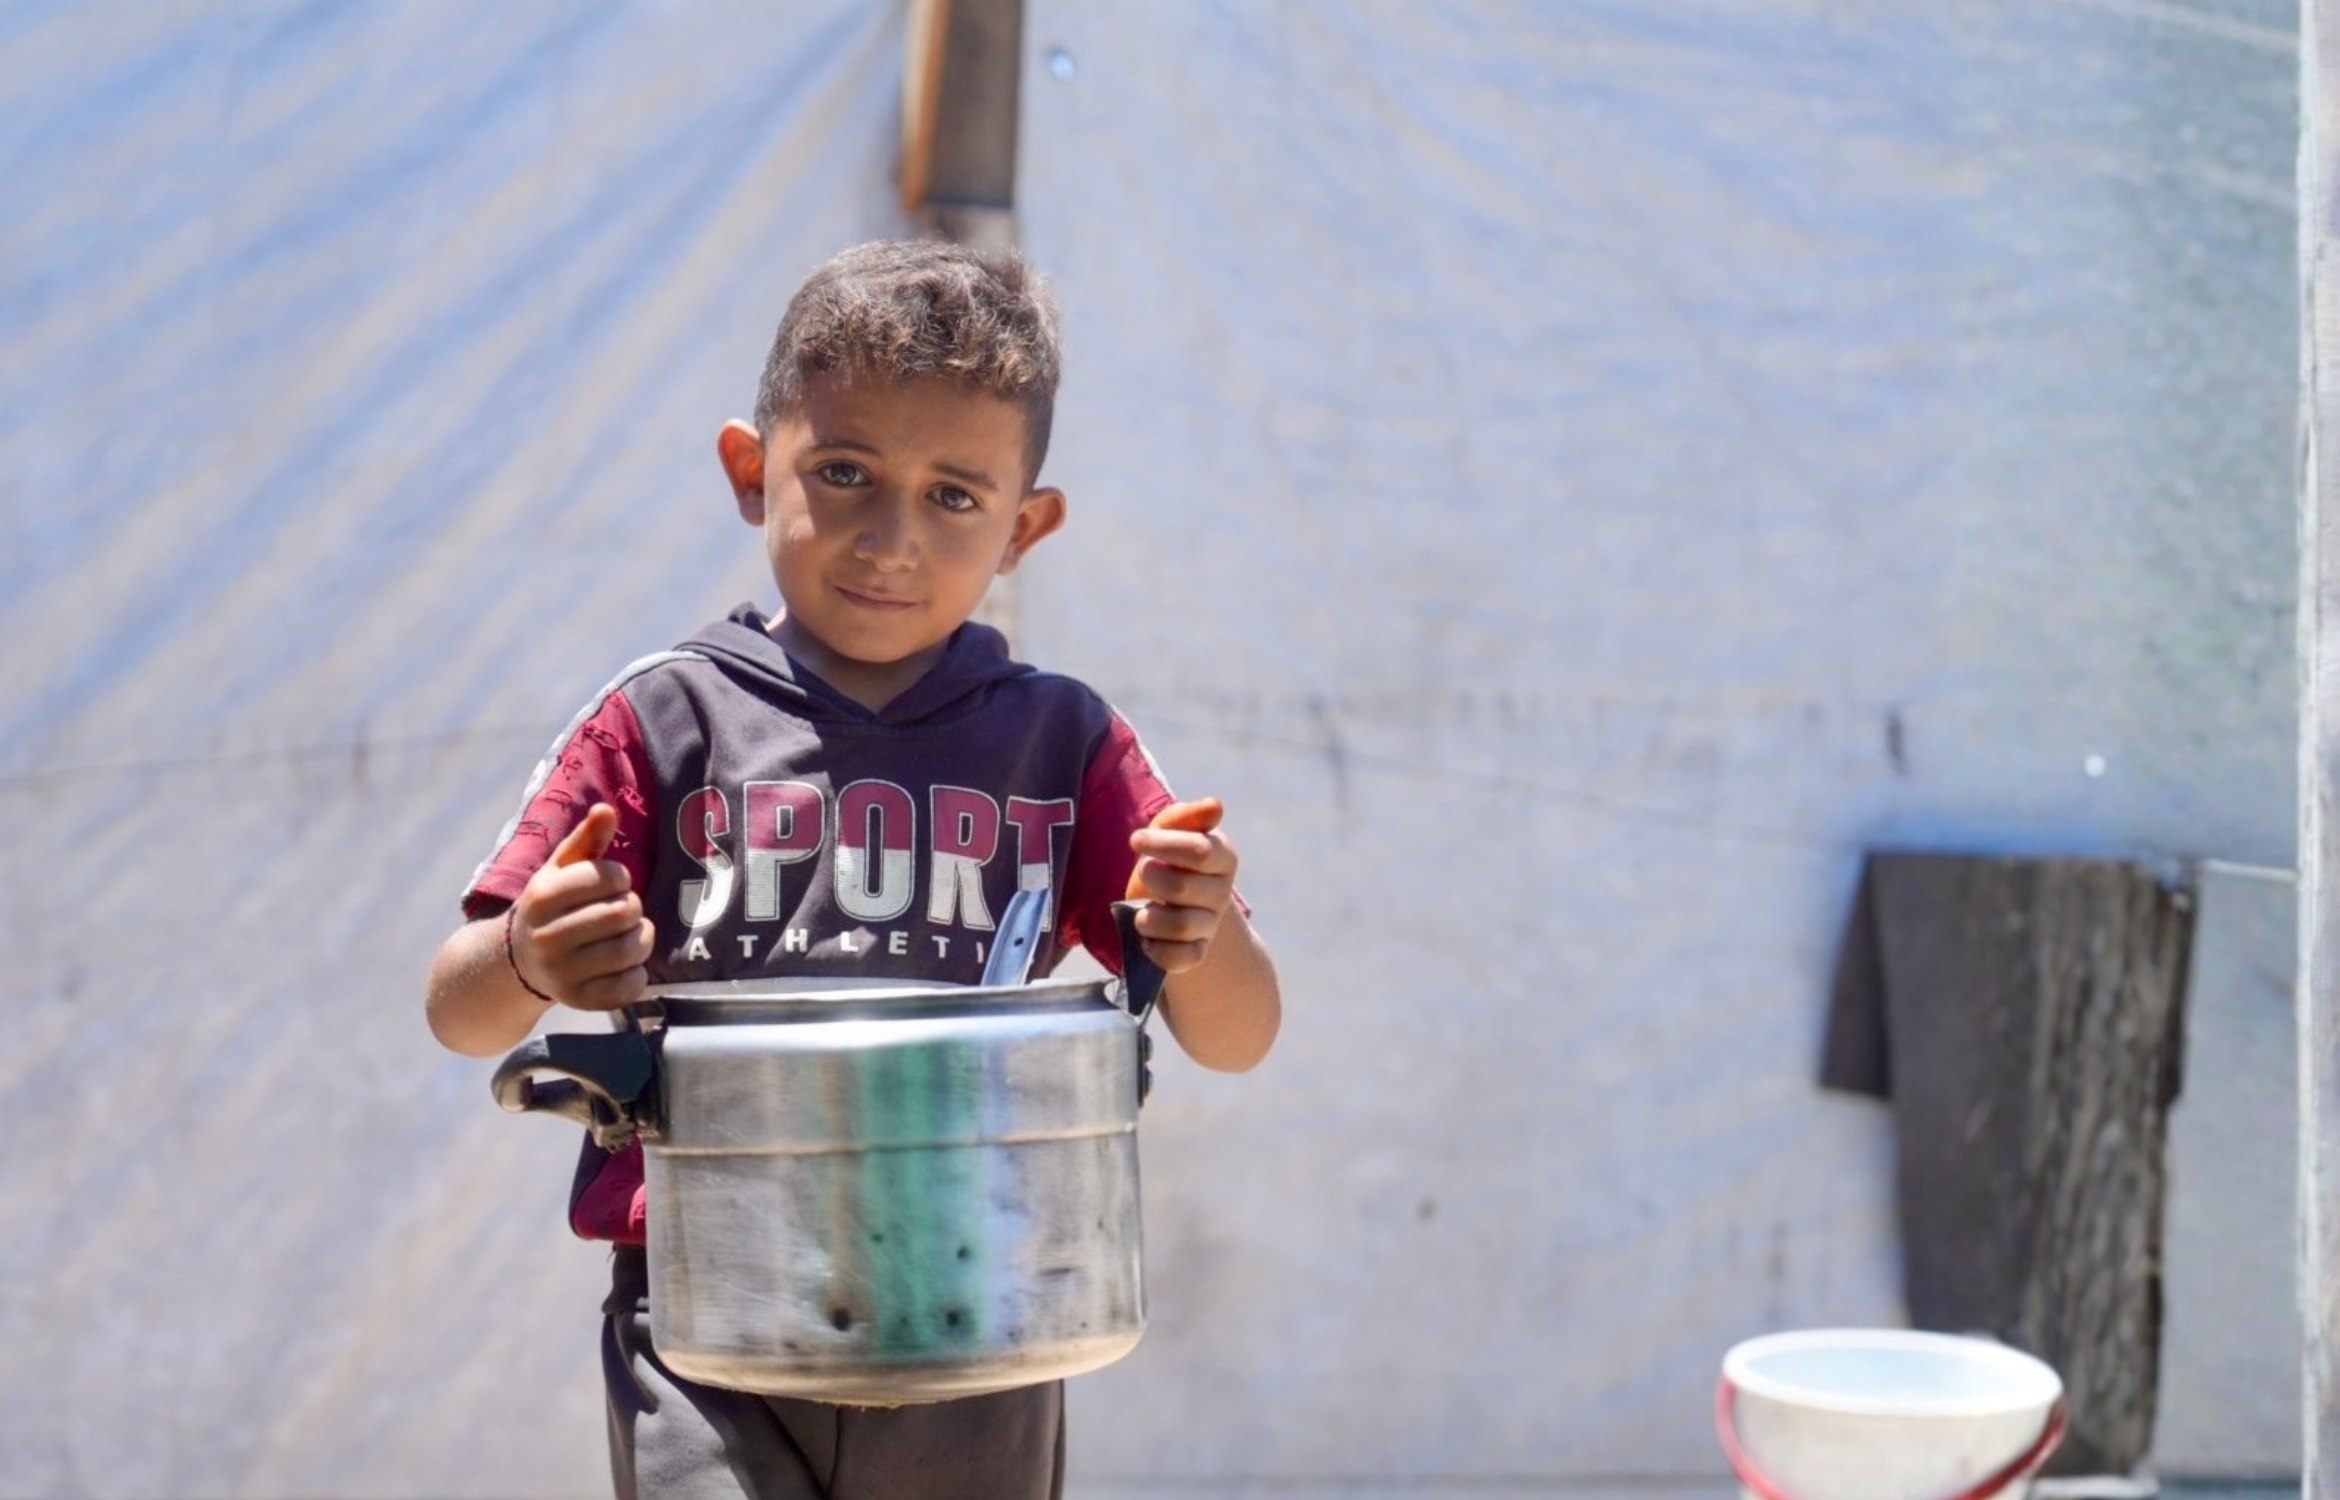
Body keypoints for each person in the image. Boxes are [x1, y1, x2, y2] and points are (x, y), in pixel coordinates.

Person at [422, 239, 1282, 1500]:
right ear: (747, 468)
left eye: (954, 498)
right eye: (842, 473)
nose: (891, 540)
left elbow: (1240, 1037)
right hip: (704, 1317)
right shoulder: (662, 723)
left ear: (1025, 528)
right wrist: (529, 956)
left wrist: (1198, 925)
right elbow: (458, 1010)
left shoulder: (1061, 741)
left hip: (983, 1311)